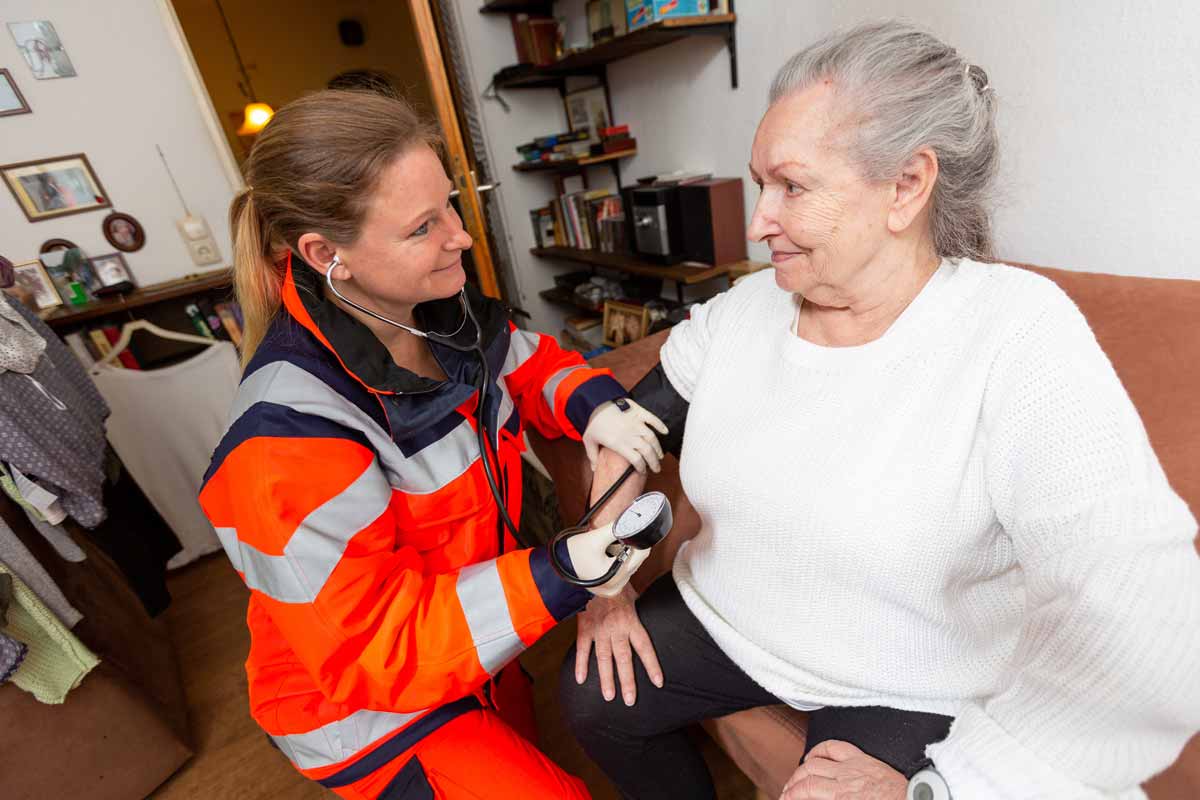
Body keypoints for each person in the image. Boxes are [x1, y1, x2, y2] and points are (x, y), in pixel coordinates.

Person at [559, 20, 1200, 800]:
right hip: (730, 617)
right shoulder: (744, 310)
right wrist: (608, 580)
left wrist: (941, 789)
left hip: (909, 675)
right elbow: (634, 430)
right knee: (592, 699)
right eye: (761, 183)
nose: (759, 221)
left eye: (792, 187)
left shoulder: (1018, 330)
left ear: (906, 187)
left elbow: (1147, 613)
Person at [198, 89, 669, 799]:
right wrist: (560, 571)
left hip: (472, 650)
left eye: (450, 204)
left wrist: (596, 407)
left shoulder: (438, 318)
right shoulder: (283, 445)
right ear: (329, 255)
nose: (462, 236)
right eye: (424, 226)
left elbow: (530, 360)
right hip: (371, 710)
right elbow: (374, 651)